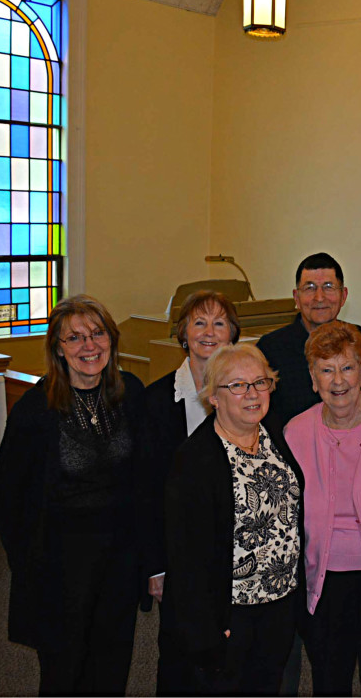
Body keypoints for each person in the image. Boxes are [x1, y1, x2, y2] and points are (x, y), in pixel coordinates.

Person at [0, 294, 146, 696]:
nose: (88, 346)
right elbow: (7, 498)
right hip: (60, 564)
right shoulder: (35, 409)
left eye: (97, 334)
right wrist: (26, 565)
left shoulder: (131, 392)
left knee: (112, 661)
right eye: (74, 338)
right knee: (64, 668)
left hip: (120, 559)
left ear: (112, 340)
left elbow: (146, 477)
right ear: (58, 348)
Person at [162, 343, 304, 696]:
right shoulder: (195, 460)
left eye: (260, 382)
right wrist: (206, 628)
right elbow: (186, 556)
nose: (252, 394)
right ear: (214, 397)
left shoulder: (273, 433)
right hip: (230, 615)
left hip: (279, 605)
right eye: (237, 385)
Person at [285, 321, 361, 696]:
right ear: (313, 377)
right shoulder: (295, 432)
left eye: (348, 367)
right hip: (322, 579)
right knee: (329, 682)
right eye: (327, 369)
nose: (338, 380)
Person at [141, 290, 240, 694]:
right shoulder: (155, 400)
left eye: (219, 323)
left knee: (233, 658)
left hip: (235, 555)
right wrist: (156, 566)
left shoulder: (248, 394)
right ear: (183, 332)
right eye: (199, 322)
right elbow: (146, 491)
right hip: (179, 557)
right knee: (180, 659)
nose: (209, 332)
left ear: (233, 334)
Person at [257, 252, 361, 427]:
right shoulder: (270, 348)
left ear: (343, 295)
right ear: (296, 298)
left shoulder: (359, 339)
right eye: (310, 287)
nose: (319, 297)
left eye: (329, 286)